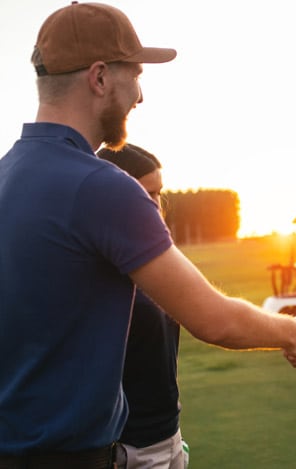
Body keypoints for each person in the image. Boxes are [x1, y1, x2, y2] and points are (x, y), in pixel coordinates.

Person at [0, 1, 296, 467]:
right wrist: (291, 330)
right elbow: (216, 321)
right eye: (137, 76)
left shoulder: (7, 174)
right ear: (100, 77)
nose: (140, 97)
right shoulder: (103, 187)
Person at [97, 143, 187, 469]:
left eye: (158, 195)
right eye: (146, 195)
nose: (155, 206)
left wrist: (173, 437)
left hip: (169, 438)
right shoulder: (99, 272)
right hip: (131, 449)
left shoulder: (157, 266)